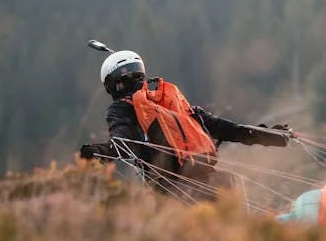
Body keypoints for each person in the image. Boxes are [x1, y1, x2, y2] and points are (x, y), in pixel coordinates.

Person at [79, 48, 293, 202]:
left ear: (112, 85)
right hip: (219, 184)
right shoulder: (176, 106)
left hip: (175, 196)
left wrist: (95, 153)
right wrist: (271, 136)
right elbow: (232, 130)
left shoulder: (122, 109)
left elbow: (122, 145)